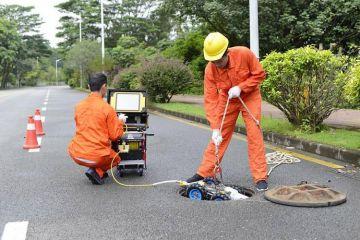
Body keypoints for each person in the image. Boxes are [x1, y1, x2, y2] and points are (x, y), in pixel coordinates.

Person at [186, 32, 268, 191]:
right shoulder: (210, 69)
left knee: (254, 133)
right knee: (218, 138)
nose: (217, 64)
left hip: (249, 96)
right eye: (213, 61)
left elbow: (260, 74)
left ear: (227, 52)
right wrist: (215, 127)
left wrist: (241, 87)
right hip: (227, 98)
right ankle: (205, 173)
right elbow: (210, 98)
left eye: (219, 60)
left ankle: (260, 176)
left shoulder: (244, 54)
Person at [68, 73, 127, 185]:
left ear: (89, 86)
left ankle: (95, 169)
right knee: (117, 158)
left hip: (76, 153)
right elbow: (115, 136)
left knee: (97, 150)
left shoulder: (79, 106)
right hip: (96, 156)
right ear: (104, 86)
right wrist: (120, 122)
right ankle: (97, 171)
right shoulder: (107, 108)